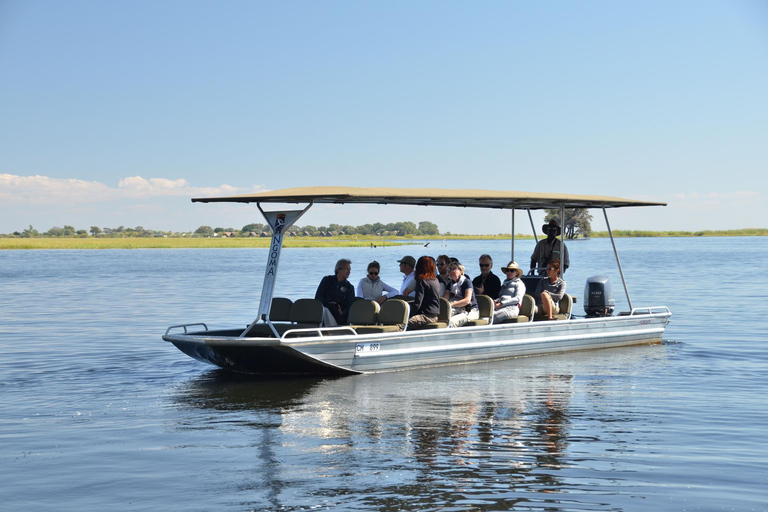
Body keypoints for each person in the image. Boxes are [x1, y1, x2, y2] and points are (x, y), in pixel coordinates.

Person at [315, 258, 355, 326]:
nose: (349, 272)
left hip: (339, 316)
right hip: (324, 309)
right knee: (323, 310)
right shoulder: (327, 280)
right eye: (346, 269)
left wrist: (342, 312)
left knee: (325, 311)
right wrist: (327, 304)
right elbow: (318, 297)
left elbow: (350, 305)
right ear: (339, 270)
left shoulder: (349, 287)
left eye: (350, 270)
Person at [406, 256, 442, 329]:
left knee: (402, 324)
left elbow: (417, 303)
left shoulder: (422, 281)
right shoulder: (435, 280)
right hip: (433, 315)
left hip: (426, 316)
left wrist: (407, 315)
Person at [444, 262, 479, 327]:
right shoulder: (450, 284)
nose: (451, 271)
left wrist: (451, 305)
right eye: (450, 270)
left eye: (454, 269)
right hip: (457, 309)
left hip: (470, 311)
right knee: (443, 317)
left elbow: (467, 300)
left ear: (460, 271)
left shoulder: (466, 282)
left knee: (452, 322)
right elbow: (445, 299)